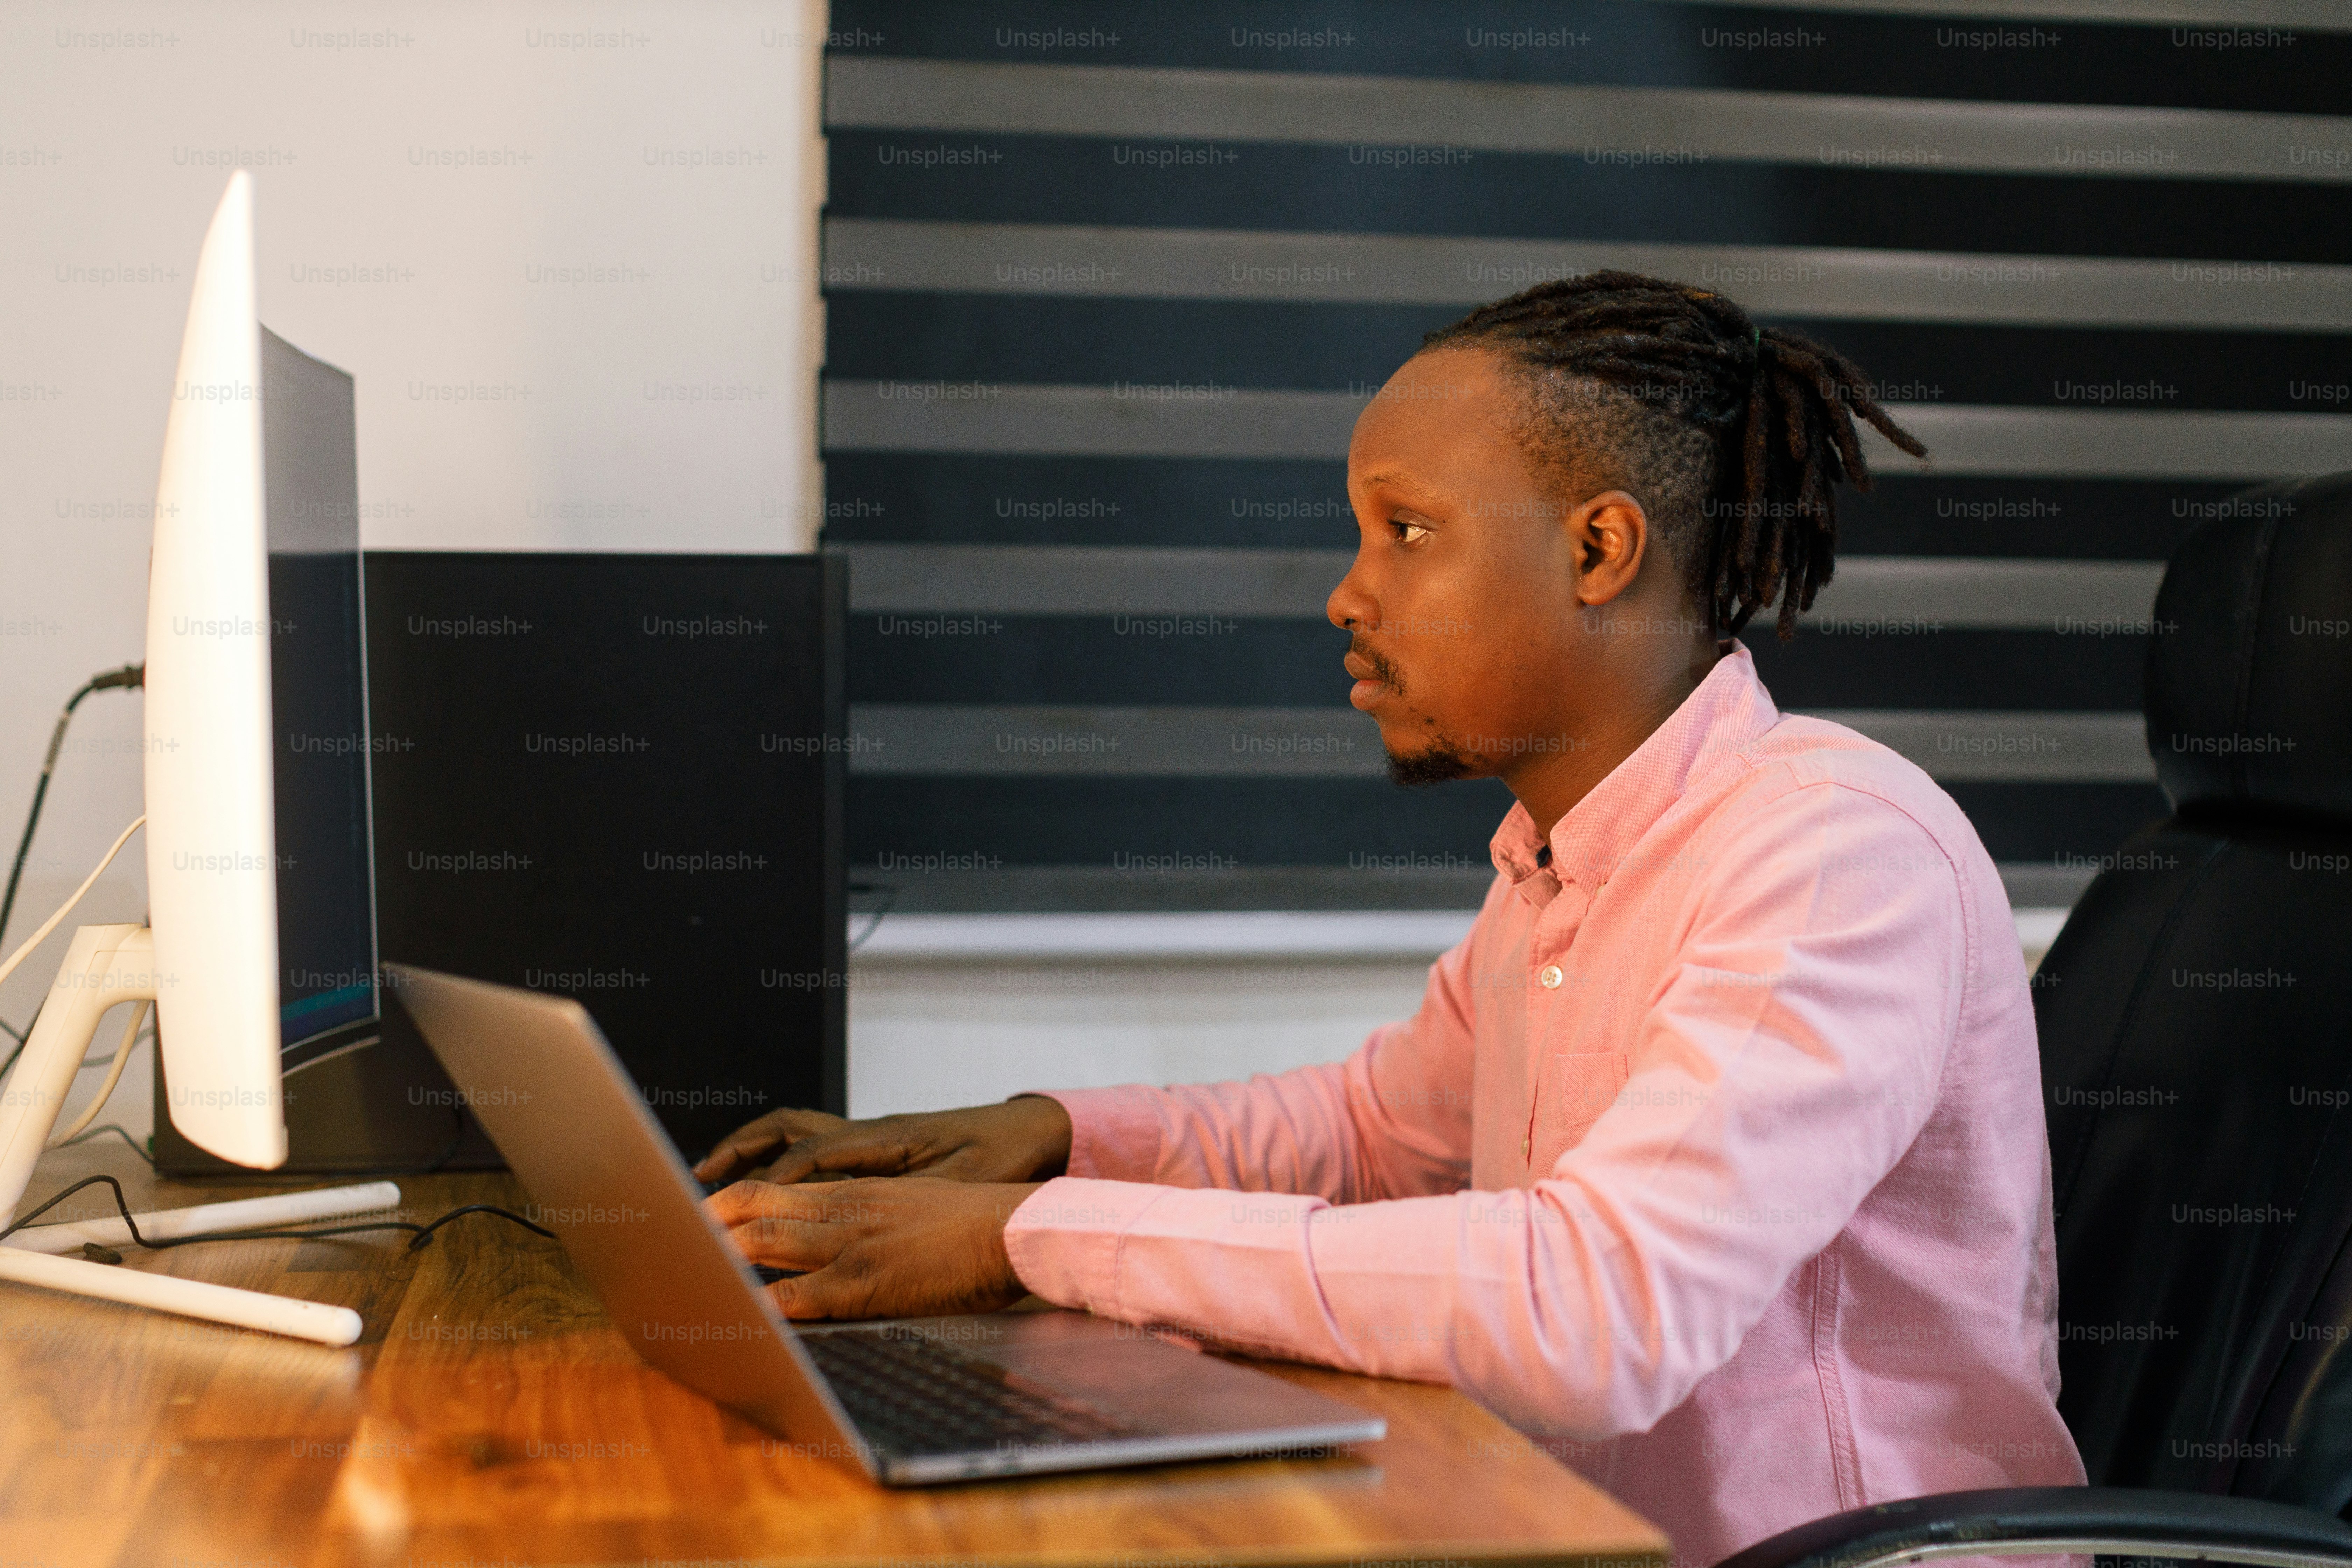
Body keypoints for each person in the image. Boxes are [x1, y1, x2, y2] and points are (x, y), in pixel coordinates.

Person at [694, 271, 2086, 1565]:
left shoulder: (1834, 854)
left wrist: (1023, 1239)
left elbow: (1595, 1312)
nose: (1346, 596)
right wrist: (1047, 1134)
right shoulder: (1558, 864)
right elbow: (1377, 1135)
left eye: (1406, 532)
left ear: (1601, 548)